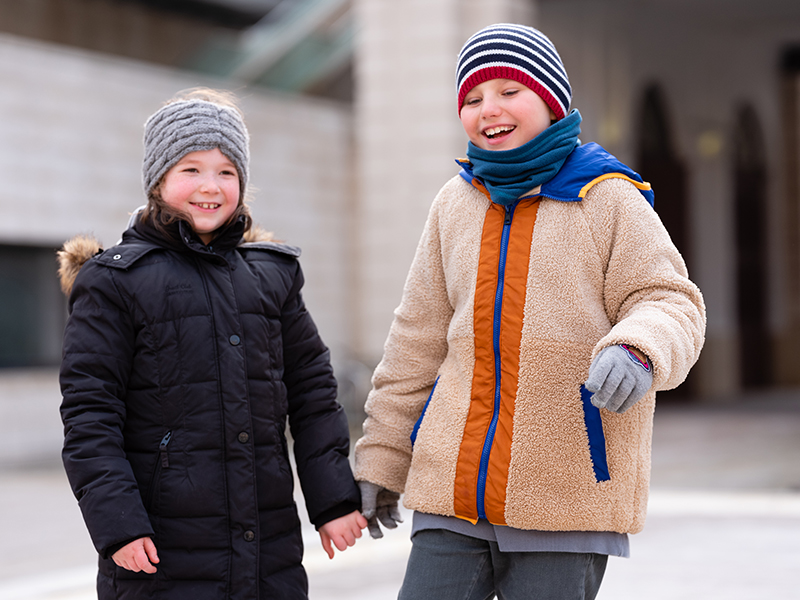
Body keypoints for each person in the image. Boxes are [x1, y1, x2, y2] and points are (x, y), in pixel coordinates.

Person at [354, 23, 706, 600]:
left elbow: (670, 299)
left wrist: (638, 347)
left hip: (564, 495)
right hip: (453, 491)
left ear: (551, 99)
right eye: (471, 98)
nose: (487, 109)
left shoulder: (607, 197)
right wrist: (383, 459)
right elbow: (415, 341)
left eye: (508, 91)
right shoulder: (454, 203)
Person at [58, 88, 366, 600]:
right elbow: (90, 414)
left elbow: (312, 392)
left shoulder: (271, 275)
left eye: (227, 171)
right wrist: (118, 524)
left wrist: (332, 499)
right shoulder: (115, 282)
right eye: (191, 170)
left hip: (269, 552)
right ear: (158, 180)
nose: (211, 186)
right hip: (160, 554)